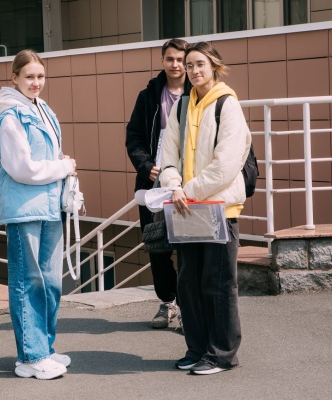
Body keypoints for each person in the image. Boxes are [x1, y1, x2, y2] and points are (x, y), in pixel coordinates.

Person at [159, 42, 251, 375]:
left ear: (214, 66)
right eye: (189, 65)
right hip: (186, 208)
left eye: (200, 64)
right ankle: (197, 349)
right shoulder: (182, 106)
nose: (194, 70)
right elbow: (167, 155)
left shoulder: (228, 104)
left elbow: (226, 165)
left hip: (219, 208)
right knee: (189, 284)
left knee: (219, 283)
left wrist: (187, 190)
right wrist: (173, 185)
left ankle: (222, 354)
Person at [0, 49, 76, 380]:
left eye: (40, 76)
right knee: (29, 281)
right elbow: (21, 168)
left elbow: (44, 157)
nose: (36, 82)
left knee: (50, 281)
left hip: (48, 205)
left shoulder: (40, 109)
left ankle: (44, 348)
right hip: (24, 208)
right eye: (29, 77)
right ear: (14, 78)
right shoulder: (10, 116)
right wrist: (63, 167)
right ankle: (31, 356)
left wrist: (59, 163)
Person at [126, 38, 192, 329]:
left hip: (188, 184)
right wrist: (145, 166)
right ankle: (168, 303)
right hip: (154, 183)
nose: (175, 65)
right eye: (170, 59)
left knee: (189, 245)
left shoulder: (197, 92)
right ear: (162, 60)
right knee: (157, 245)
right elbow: (134, 136)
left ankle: (189, 306)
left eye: (181, 60)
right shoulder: (149, 96)